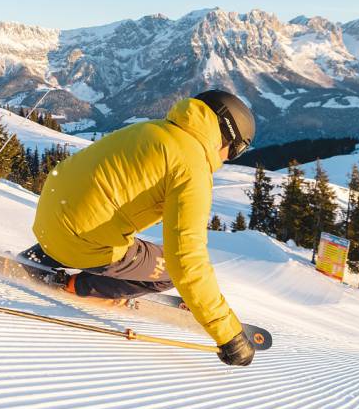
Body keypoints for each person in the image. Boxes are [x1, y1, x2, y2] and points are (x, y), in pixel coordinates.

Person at [23, 90, 257, 366]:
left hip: (50, 219)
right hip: (81, 240)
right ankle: (75, 285)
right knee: (168, 271)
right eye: (238, 149)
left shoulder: (152, 129)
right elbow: (187, 260)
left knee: (105, 228)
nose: (230, 157)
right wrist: (227, 333)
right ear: (227, 135)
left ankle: (44, 255)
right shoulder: (192, 167)